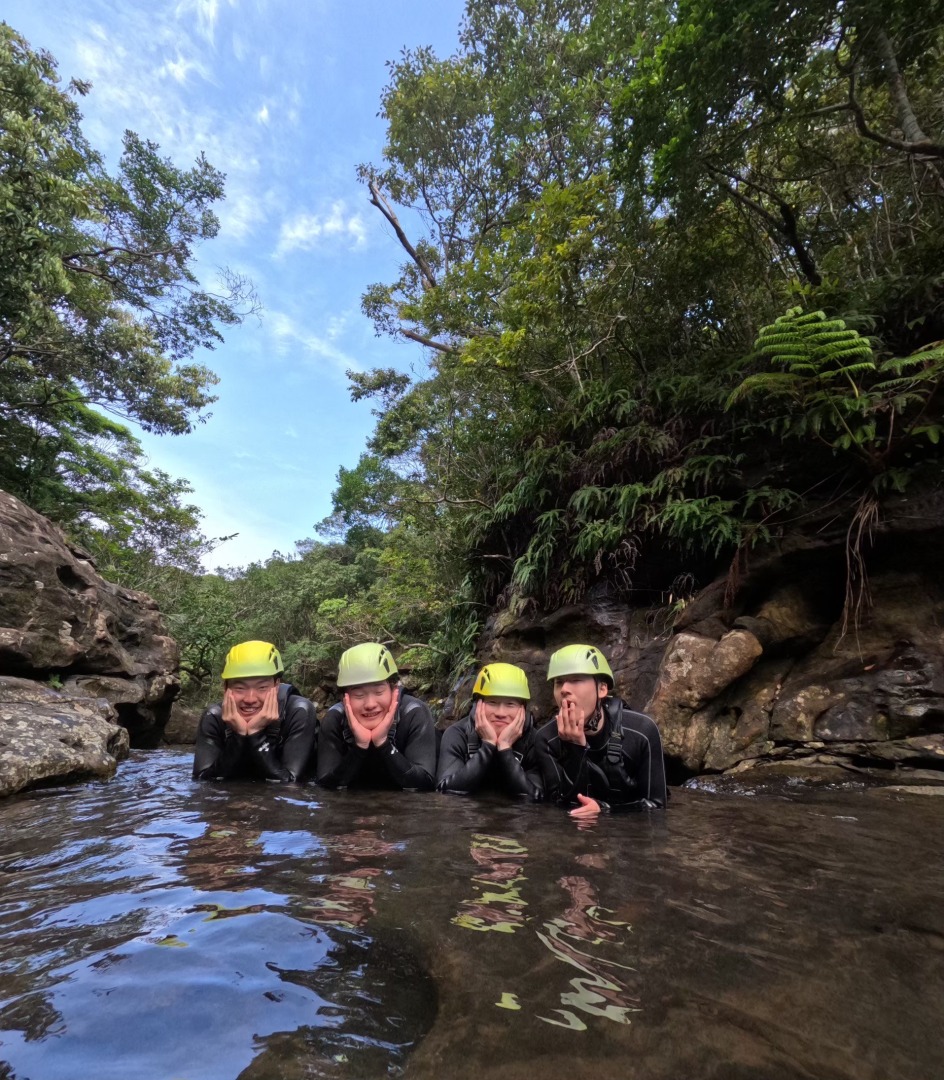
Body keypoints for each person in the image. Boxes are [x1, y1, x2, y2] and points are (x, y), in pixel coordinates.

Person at [535, 644, 667, 818]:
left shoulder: (641, 731)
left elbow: (657, 805)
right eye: (558, 682)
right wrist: (576, 748)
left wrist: (606, 810)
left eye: (575, 680)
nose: (564, 689)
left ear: (602, 689)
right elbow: (558, 807)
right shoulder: (546, 739)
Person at [192, 640, 318, 782]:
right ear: (226, 688)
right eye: (240, 688)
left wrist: (255, 733)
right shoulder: (214, 716)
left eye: (262, 687)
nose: (250, 699)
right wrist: (239, 735)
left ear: (276, 685)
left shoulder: (298, 711)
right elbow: (202, 781)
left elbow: (290, 782)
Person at [316, 643, 437, 791]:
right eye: (358, 695)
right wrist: (360, 746)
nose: (370, 704)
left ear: (394, 690)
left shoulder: (413, 713)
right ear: (344, 698)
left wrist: (383, 743)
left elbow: (424, 783)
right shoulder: (335, 719)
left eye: (379, 692)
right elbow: (325, 784)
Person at [437, 663, 543, 800]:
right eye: (492, 702)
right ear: (477, 704)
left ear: (523, 708)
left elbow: (534, 797)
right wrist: (488, 745)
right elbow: (445, 789)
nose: (500, 713)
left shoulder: (534, 740)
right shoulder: (457, 734)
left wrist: (505, 748)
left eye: (510, 704)